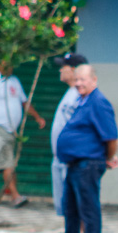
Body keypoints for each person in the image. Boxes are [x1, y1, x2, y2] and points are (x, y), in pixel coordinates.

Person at [49, 64, 118, 233]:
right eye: (77, 79)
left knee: (88, 208)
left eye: (83, 80)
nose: (78, 83)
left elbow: (111, 137)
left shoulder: (98, 102)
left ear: (94, 80)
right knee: (70, 208)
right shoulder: (82, 101)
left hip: (88, 164)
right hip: (74, 163)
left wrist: (107, 158)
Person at [0, 61, 47, 209]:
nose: (11, 67)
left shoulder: (14, 81)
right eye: (7, 63)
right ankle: (15, 196)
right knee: (7, 161)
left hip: (11, 131)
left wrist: (37, 117)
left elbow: (25, 103)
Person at [49, 53, 87, 217]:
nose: (60, 71)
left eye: (63, 67)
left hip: (70, 159)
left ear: (73, 70)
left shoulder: (80, 96)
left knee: (75, 206)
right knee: (66, 207)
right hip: (60, 158)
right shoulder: (71, 93)